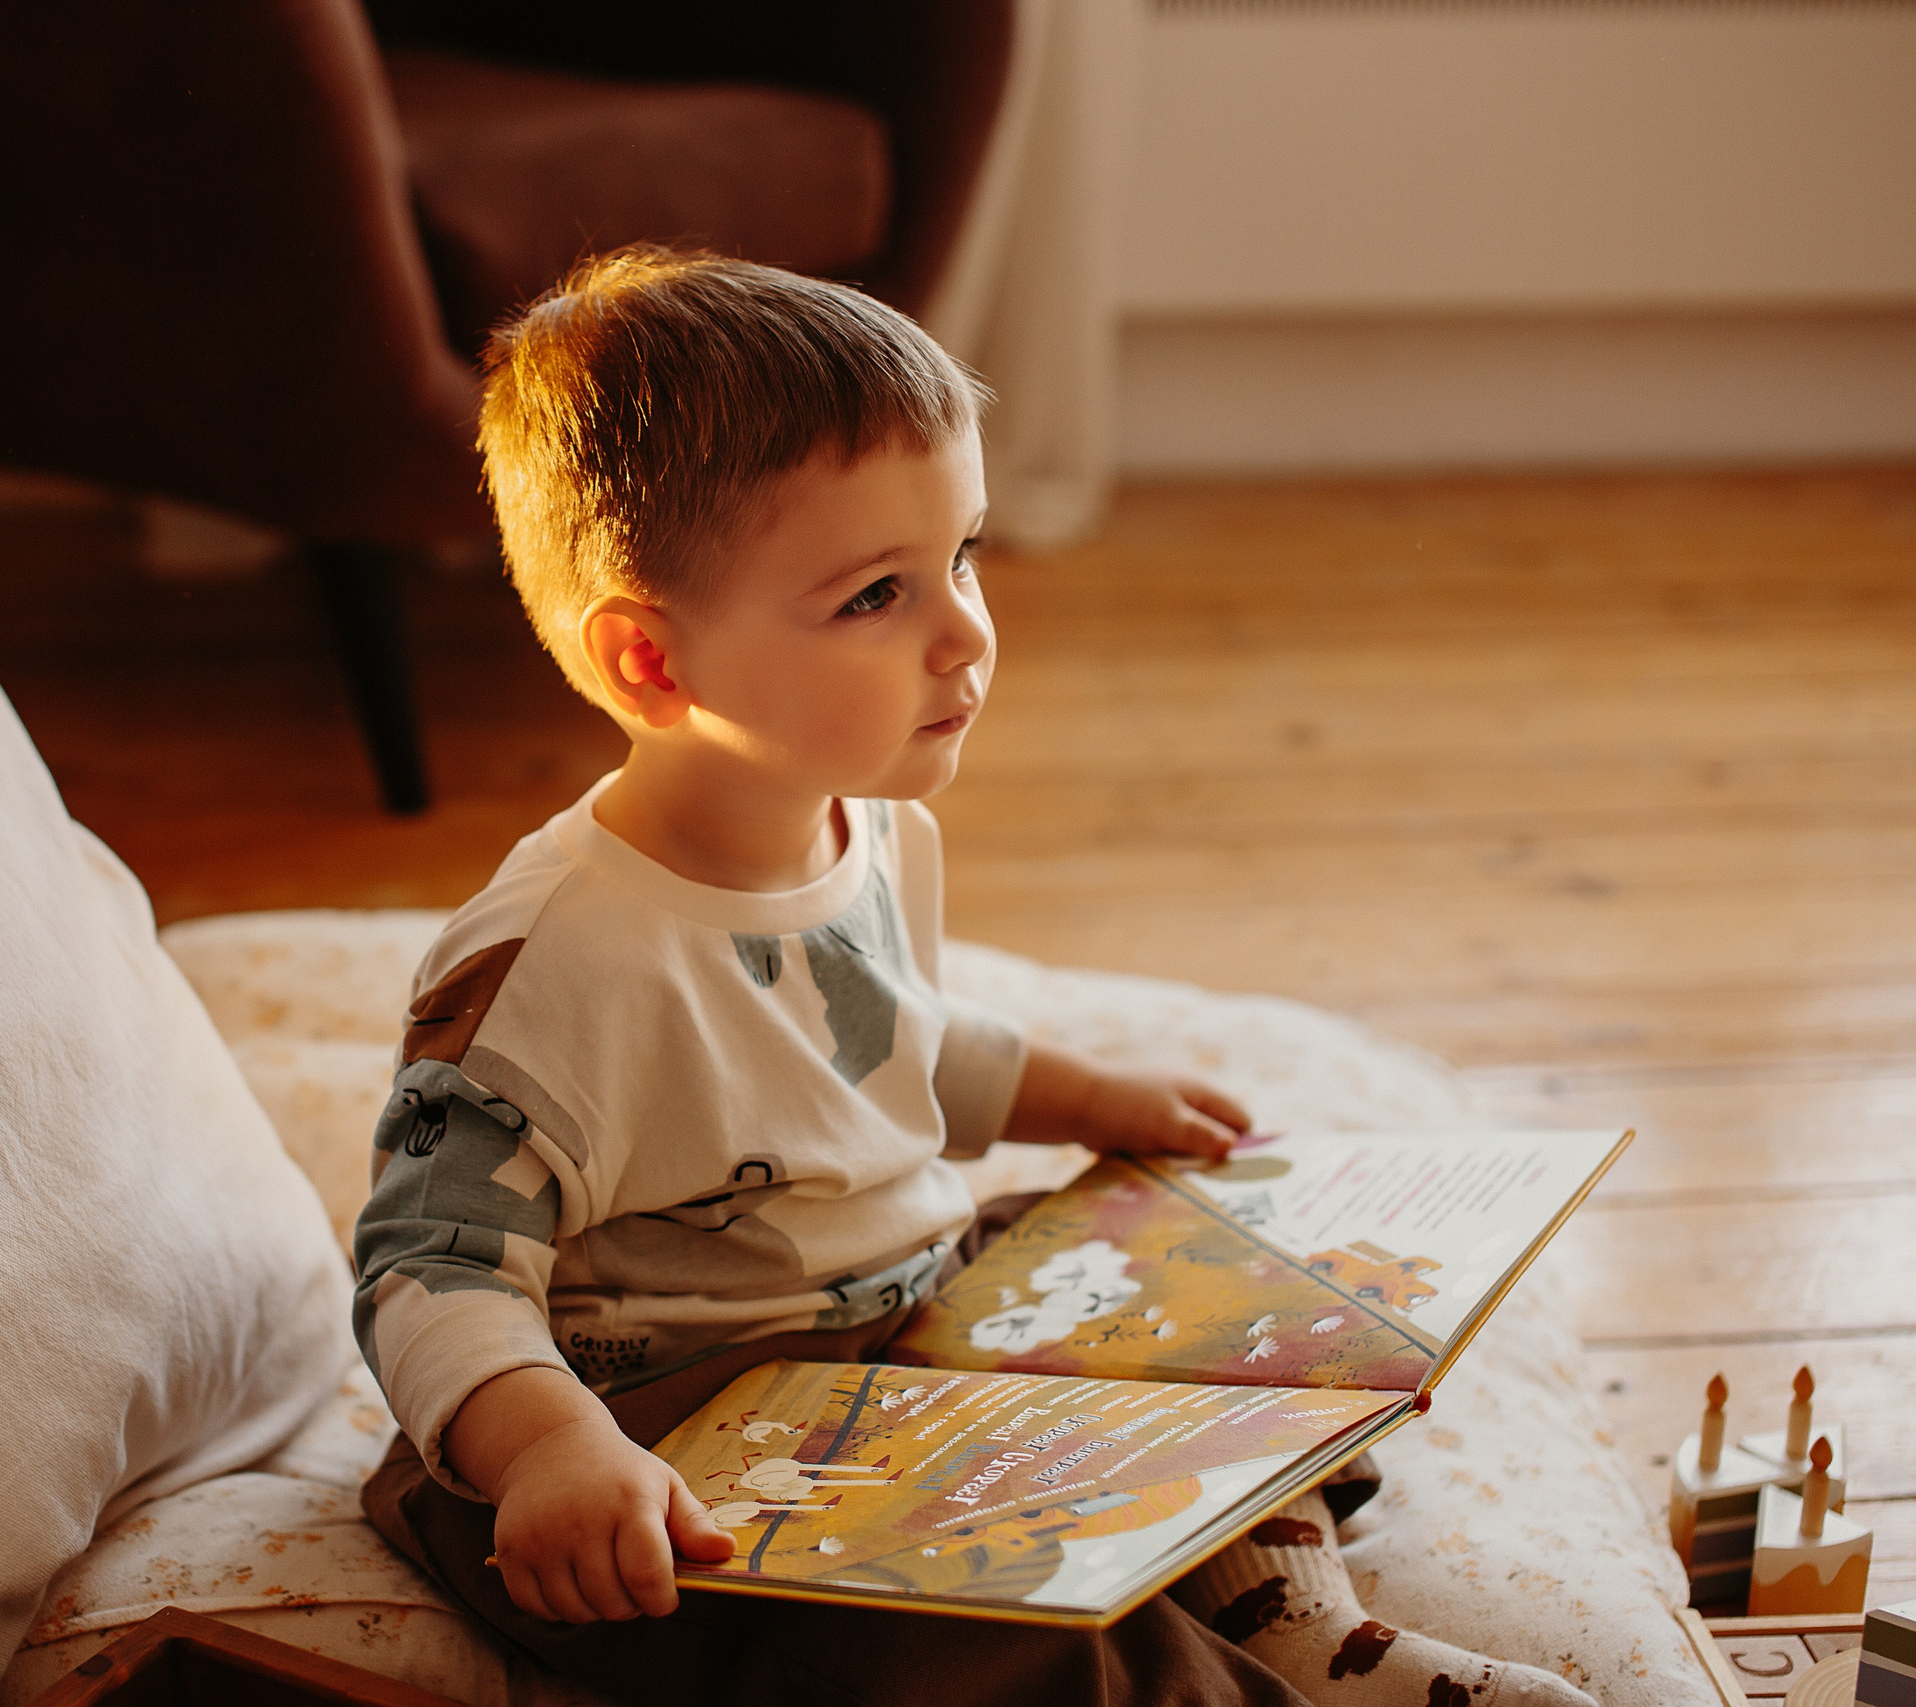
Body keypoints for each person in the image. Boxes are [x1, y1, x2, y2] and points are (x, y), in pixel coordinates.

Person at [352, 245, 1592, 1707]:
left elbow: (889, 1046)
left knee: (1226, 1318)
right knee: (960, 1634)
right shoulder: (543, 973)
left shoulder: (867, 828)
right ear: (653, 667)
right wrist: (549, 1449)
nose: (967, 634)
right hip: (675, 1426)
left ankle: (1290, 1614)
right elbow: (426, 1269)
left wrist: (1084, 1095)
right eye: (877, 594)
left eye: (965, 556)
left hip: (897, 1317)